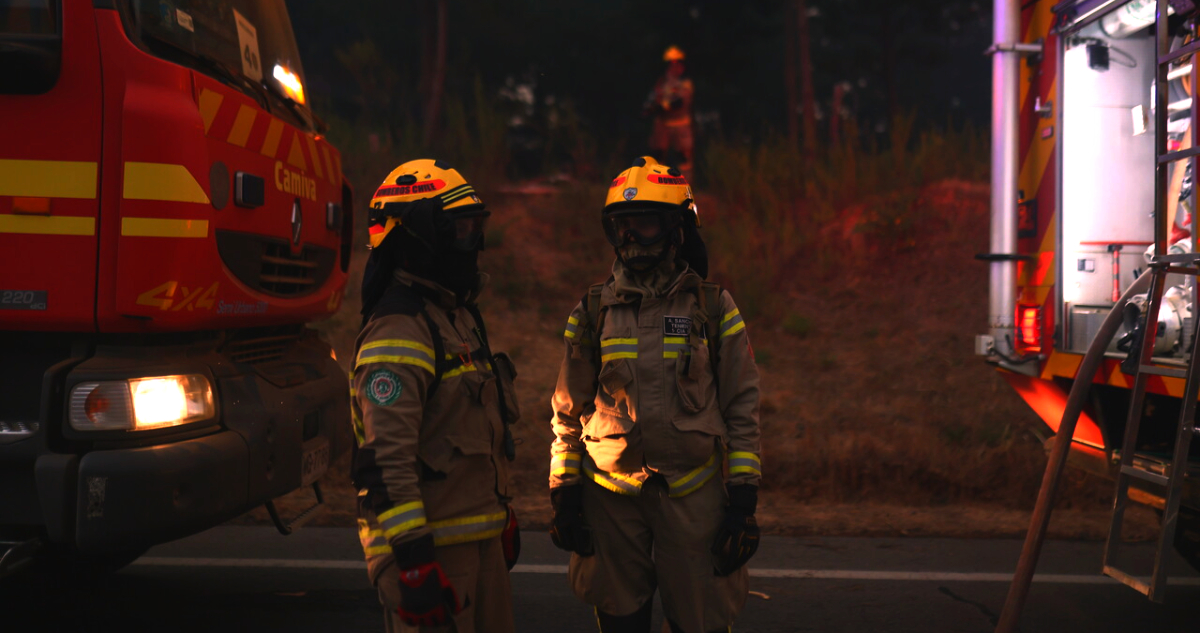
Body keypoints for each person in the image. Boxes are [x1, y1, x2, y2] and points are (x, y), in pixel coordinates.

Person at [548, 156, 763, 633]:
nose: (629, 238)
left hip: (693, 500)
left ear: (676, 228)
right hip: (610, 503)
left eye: (642, 225)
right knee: (620, 620)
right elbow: (567, 410)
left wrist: (743, 499)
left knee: (701, 621)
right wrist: (563, 492)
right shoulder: (592, 310)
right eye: (621, 226)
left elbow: (742, 407)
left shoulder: (713, 307)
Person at [352, 159, 521, 633]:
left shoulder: (456, 317)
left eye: (475, 229)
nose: (473, 244)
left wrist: (499, 513)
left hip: (477, 546)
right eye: (461, 231)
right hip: (431, 555)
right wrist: (412, 561)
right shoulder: (398, 332)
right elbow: (386, 461)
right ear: (418, 238)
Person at [645, 46, 696, 174]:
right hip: (662, 126)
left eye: (676, 64)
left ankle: (686, 188)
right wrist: (649, 108)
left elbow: (680, 102)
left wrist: (663, 106)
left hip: (680, 126)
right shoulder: (661, 82)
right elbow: (652, 100)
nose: (673, 67)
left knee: (683, 159)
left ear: (681, 66)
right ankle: (657, 187)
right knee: (657, 159)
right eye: (670, 64)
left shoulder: (685, 83)